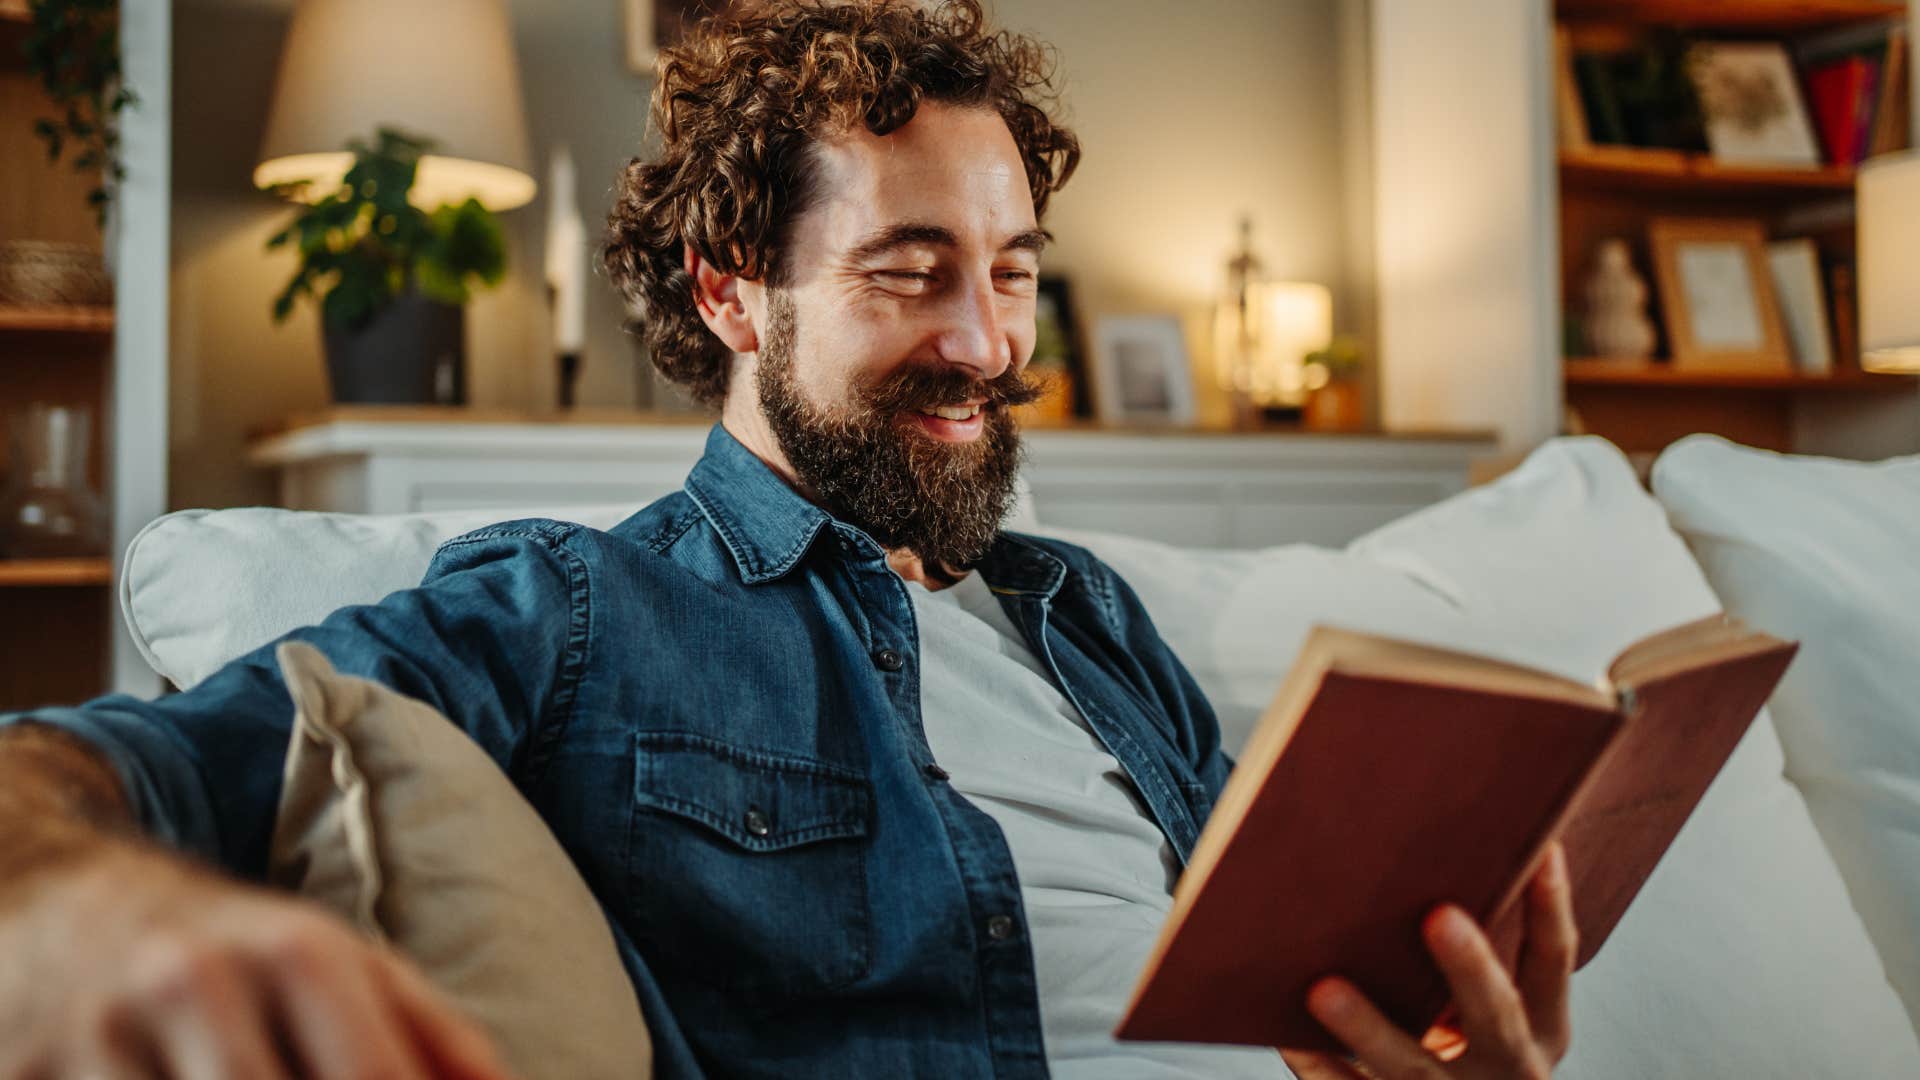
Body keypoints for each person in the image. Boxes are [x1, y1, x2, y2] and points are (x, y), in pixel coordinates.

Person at [0, 2, 1577, 1077]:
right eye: (909, 269)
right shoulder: (579, 611)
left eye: (1013, 271)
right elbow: (89, 770)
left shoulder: (1087, 623)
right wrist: (78, 901)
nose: (985, 342)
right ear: (729, 289)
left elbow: (1294, 994)